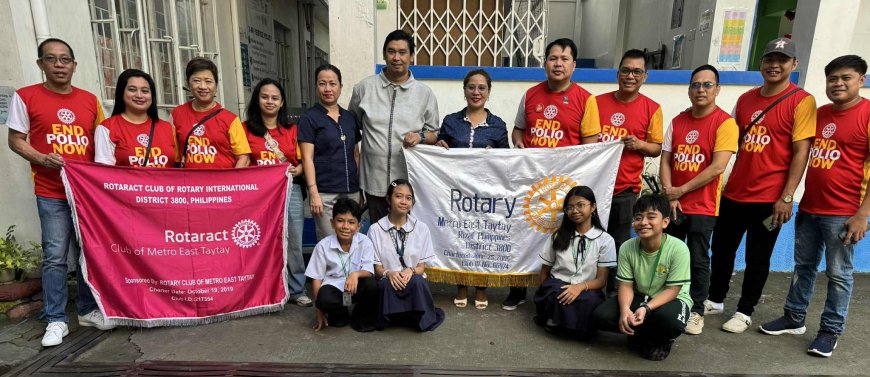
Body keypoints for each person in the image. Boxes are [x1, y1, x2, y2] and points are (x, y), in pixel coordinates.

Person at [6, 38, 115, 347]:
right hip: (50, 191)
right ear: (41, 63)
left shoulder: (91, 101)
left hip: (85, 195)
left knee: (87, 254)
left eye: (65, 59)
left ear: (74, 65)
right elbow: (16, 140)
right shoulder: (26, 97)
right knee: (55, 256)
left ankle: (86, 310)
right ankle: (55, 319)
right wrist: (42, 159)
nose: (59, 64)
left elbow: (102, 147)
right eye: (51, 59)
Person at [759, 55, 869, 357]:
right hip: (810, 207)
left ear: (861, 79)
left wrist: (863, 215)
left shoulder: (868, 114)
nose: (838, 84)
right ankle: (794, 317)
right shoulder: (819, 114)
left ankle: (830, 331)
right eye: (833, 78)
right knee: (803, 266)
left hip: (845, 213)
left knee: (839, 274)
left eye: (846, 78)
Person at [707, 37, 817, 333]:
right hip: (734, 193)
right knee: (722, 249)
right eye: (770, 59)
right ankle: (715, 298)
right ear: (761, 64)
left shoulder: (802, 101)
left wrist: (787, 196)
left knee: (758, 257)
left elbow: (801, 152)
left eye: (782, 60)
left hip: (770, 199)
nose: (774, 65)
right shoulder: (745, 100)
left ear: (793, 65)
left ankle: (744, 311)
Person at [507, 37, 602, 311]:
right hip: (532, 182)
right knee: (524, 234)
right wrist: (519, 141)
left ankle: (554, 290)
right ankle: (517, 289)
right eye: (553, 58)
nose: (558, 64)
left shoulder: (586, 100)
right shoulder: (531, 94)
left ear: (573, 65)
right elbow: (518, 129)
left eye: (564, 59)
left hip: (564, 185)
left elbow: (591, 148)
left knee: (558, 237)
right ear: (545, 63)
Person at [659, 65, 739, 335]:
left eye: (707, 85)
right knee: (667, 255)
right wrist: (670, 192)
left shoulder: (725, 123)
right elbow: (666, 160)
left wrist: (681, 191)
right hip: (674, 203)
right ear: (689, 89)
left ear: (717, 89)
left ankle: (695, 311)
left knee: (697, 259)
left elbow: (717, 167)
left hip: (703, 207)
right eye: (696, 85)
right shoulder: (678, 122)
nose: (701, 89)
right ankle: (665, 302)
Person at [436, 69, 509, 309]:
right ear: (464, 90)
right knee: (458, 236)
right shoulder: (451, 121)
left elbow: (508, 160)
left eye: (481, 88)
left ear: (489, 92)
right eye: (471, 87)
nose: (476, 92)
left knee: (482, 238)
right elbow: (441, 147)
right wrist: (439, 145)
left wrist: (495, 155)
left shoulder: (498, 125)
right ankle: (461, 286)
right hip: (456, 193)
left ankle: (480, 287)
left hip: (485, 195)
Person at [349, 29, 440, 222]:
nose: (396, 57)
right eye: (391, 52)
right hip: (373, 181)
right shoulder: (364, 88)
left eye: (402, 52)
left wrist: (420, 137)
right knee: (378, 235)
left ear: (412, 56)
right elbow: (352, 129)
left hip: (408, 184)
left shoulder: (424, 94)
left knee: (408, 236)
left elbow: (434, 134)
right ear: (384, 55)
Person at [596, 48, 663, 297]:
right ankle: (588, 290)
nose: (630, 76)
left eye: (637, 72)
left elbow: (656, 149)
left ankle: (615, 295)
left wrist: (640, 145)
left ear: (645, 76)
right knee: (589, 241)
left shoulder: (652, 109)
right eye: (626, 70)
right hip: (595, 188)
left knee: (619, 244)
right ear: (618, 73)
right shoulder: (597, 102)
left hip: (625, 190)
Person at [592, 194, 691, 361]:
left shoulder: (678, 248)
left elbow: (673, 290)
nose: (644, 222)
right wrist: (625, 311)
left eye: (651, 217)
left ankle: (663, 340)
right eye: (638, 217)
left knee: (670, 320)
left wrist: (646, 308)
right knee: (602, 315)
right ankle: (641, 333)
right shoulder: (627, 247)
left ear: (665, 222)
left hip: (671, 300)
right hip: (640, 296)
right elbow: (625, 285)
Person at [243, 78, 311, 307]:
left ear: (282, 102)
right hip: (257, 195)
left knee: (293, 240)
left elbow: (302, 162)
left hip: (289, 191)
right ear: (257, 100)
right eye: (265, 97)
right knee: (259, 241)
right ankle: (263, 289)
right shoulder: (244, 129)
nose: (269, 102)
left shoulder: (292, 130)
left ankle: (296, 289)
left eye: (274, 98)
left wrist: (299, 169)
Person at [534, 186, 616, 338]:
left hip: (587, 288)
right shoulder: (558, 236)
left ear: (593, 207)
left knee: (590, 301)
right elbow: (545, 270)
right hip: (558, 284)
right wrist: (541, 298)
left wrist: (580, 287)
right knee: (558, 294)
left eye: (580, 205)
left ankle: (566, 324)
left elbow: (601, 280)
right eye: (569, 207)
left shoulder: (605, 240)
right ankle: (557, 319)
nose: (575, 211)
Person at [368, 179, 445, 331]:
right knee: (384, 284)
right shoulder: (375, 229)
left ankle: (415, 316)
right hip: (389, 279)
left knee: (418, 282)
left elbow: (421, 267)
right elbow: (377, 269)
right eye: (398, 196)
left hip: (411, 278)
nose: (404, 202)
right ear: (388, 199)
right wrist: (389, 273)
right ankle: (392, 318)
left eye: (408, 198)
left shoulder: (421, 228)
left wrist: (411, 270)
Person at [299, 64, 362, 240]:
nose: (328, 89)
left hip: (351, 191)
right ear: (316, 86)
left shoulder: (349, 118)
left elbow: (355, 154)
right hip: (325, 193)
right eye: (322, 83)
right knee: (328, 241)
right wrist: (313, 193)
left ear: (340, 87)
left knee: (351, 240)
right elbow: (307, 158)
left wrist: (360, 190)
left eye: (333, 84)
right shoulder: (309, 118)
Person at [304, 197, 378, 332]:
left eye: (351, 222)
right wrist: (319, 310)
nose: (345, 227)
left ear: (358, 226)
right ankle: (340, 313)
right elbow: (317, 278)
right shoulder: (323, 246)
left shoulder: (365, 242)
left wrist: (355, 274)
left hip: (356, 286)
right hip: (335, 288)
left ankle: (359, 314)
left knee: (371, 284)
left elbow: (369, 269)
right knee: (324, 299)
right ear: (332, 223)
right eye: (340, 221)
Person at [171, 57, 251, 168]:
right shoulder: (177, 114)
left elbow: (243, 158)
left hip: (222, 184)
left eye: (208, 81)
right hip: (190, 183)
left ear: (216, 85)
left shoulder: (230, 119)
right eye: (196, 80)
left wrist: (231, 183)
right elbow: (173, 157)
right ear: (188, 83)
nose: (203, 86)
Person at [95, 69, 176, 167]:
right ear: (121, 93)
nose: (139, 95)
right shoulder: (107, 128)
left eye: (145, 91)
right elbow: (104, 174)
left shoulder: (167, 127)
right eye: (132, 90)